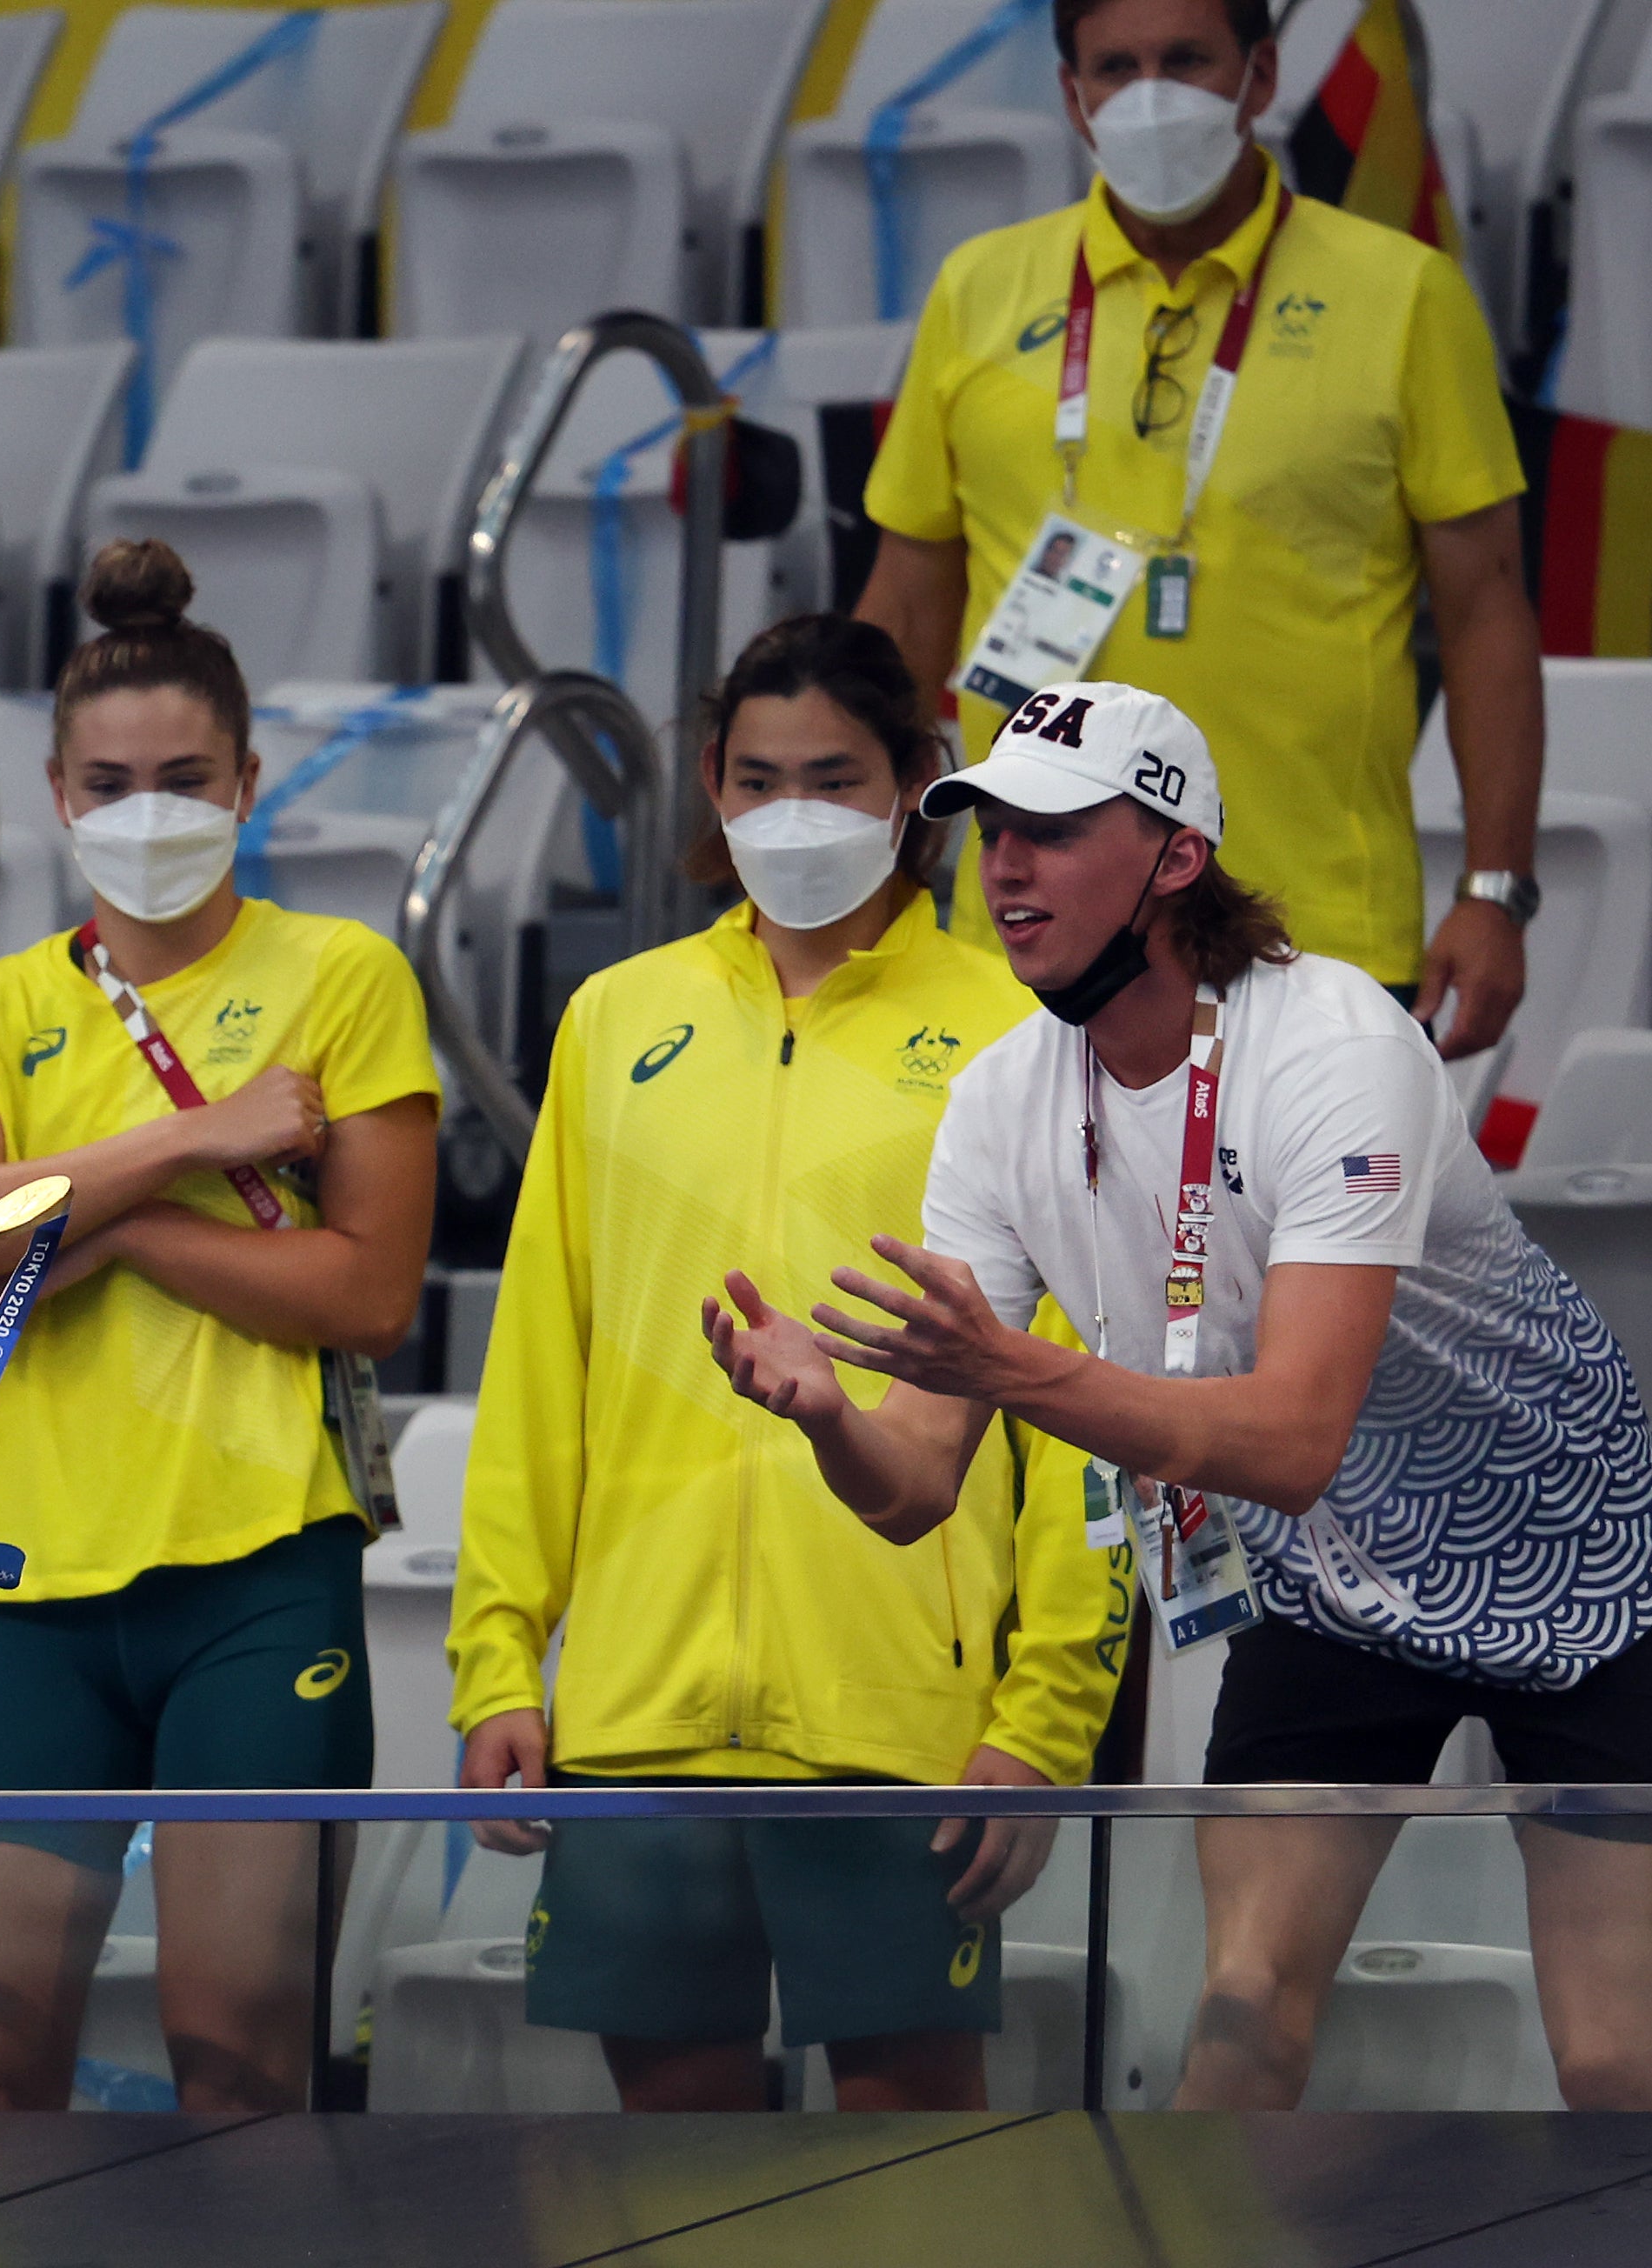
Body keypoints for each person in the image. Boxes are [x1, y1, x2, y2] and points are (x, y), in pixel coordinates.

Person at [709, 678, 1652, 2111]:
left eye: (1050, 830)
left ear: (1173, 855)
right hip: (1326, 1593)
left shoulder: (1331, 1045)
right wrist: (829, 1413)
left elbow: (1291, 1436)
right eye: (986, 831)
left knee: (1617, 2060)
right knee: (1238, 2017)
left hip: (1575, 1562)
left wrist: (1005, 1364)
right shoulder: (1000, 1101)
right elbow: (912, 1490)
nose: (1003, 867)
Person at [450, 617, 1125, 2114]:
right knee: (675, 2172)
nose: (792, 813)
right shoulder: (614, 1019)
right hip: (636, 1707)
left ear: (915, 787)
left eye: (834, 776)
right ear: (709, 783)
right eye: (758, 778)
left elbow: (1078, 1406)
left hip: (902, 1712)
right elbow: (537, 1364)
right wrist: (499, 1650)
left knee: (905, 2176)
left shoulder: (1017, 1032)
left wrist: (1042, 1717)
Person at [0, 539, 442, 2111]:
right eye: (113, 780)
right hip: (28, 1581)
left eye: (186, 776)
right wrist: (174, 1156)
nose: (150, 811)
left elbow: (367, 1293)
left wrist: (89, 1233)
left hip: (262, 1567)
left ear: (249, 779)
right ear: (58, 792)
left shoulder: (344, 975)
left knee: (239, 2054)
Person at [856, 0, 1544, 1059]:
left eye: (1185, 60)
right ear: (1070, 94)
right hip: (1023, 928)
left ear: (1259, 76)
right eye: (1115, 67)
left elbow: (1487, 608)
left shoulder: (1403, 294)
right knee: (1026, 1231)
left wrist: (1494, 891)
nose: (1150, 95)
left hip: (1316, 923)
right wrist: (870, 868)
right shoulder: (977, 289)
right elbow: (905, 608)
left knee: (1304, 1235)